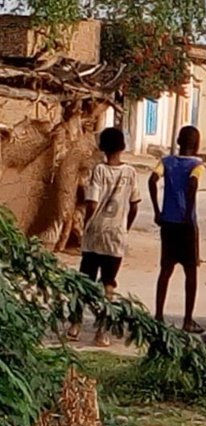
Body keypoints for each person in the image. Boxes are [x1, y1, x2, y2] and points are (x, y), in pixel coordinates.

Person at [68, 127, 141, 346]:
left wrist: (87, 224)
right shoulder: (130, 172)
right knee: (109, 284)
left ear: (102, 148)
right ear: (123, 147)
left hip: (95, 233)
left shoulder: (99, 170)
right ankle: (102, 331)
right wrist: (125, 226)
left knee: (85, 281)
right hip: (116, 235)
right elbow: (135, 204)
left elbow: (92, 202)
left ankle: (75, 325)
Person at [149, 126, 204, 333]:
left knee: (166, 269)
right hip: (186, 224)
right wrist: (188, 213)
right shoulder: (197, 165)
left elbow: (152, 180)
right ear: (197, 145)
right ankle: (188, 319)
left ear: (179, 141)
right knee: (191, 272)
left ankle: (159, 315)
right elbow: (192, 185)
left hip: (168, 221)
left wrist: (157, 209)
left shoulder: (166, 162)